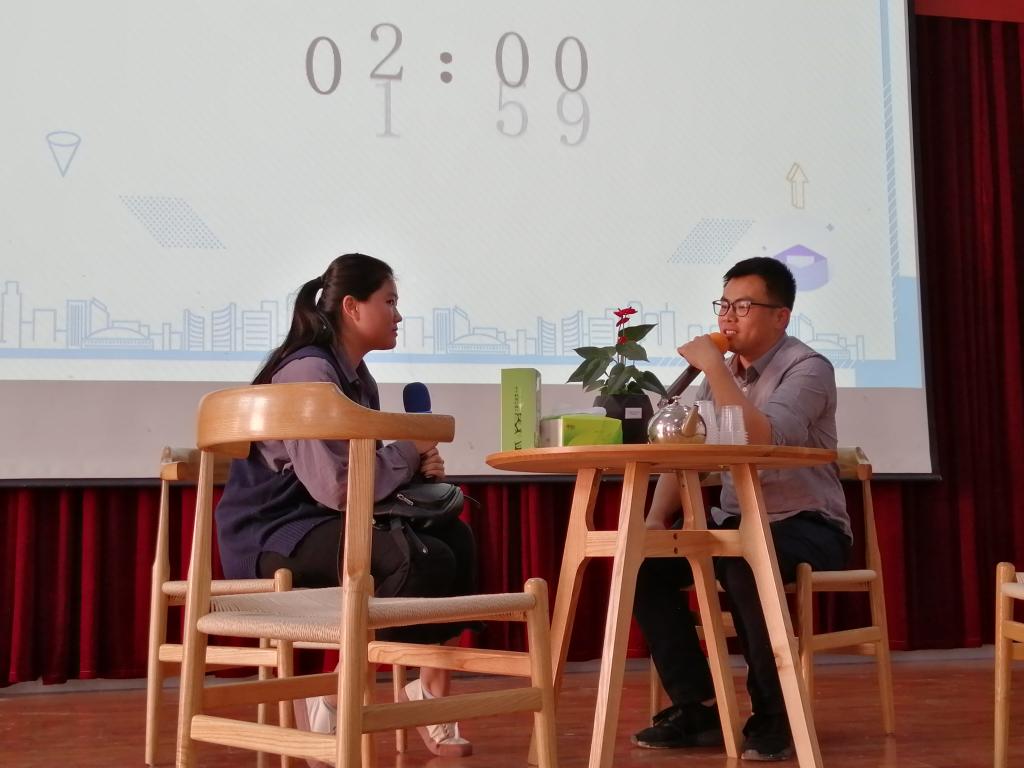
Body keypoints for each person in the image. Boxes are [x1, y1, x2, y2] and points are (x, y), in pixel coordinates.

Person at [215, 253, 476, 758]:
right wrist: (408, 450)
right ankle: (337, 693)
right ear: (352, 307)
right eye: (390, 302)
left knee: (455, 539)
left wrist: (412, 465)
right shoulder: (310, 372)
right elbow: (336, 486)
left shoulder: (358, 377)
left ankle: (422, 687)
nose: (399, 315)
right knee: (417, 558)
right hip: (276, 535)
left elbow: (357, 474)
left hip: (324, 522)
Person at [632, 257, 852, 761]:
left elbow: (763, 438)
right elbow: (685, 453)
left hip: (807, 524)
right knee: (646, 564)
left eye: (743, 306)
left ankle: (774, 716)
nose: (728, 317)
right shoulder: (723, 373)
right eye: (724, 305)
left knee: (745, 561)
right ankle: (697, 707)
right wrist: (654, 522)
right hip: (737, 524)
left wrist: (713, 366)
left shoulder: (808, 368)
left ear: (781, 316)